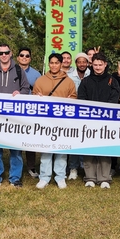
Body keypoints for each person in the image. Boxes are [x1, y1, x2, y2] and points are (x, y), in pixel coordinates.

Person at [0, 44, 30, 187]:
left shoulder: (19, 70)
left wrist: (20, 93)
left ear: (11, 53)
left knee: (15, 148)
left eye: (6, 52)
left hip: (15, 116)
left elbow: (26, 88)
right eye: (1, 53)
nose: (4, 55)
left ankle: (15, 178)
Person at [77, 52, 120, 188]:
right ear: (91, 65)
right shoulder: (85, 81)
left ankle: (104, 178)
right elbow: (81, 99)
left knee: (104, 149)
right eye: (95, 65)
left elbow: (115, 99)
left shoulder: (112, 81)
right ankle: (89, 177)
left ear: (105, 65)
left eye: (100, 65)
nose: (97, 67)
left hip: (106, 121)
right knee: (89, 148)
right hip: (89, 121)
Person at [33, 53, 77, 189]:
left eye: (56, 63)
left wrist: (71, 100)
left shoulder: (68, 81)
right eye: (51, 63)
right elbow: (34, 97)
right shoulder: (40, 80)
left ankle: (60, 176)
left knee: (61, 149)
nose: (53, 65)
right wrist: (38, 97)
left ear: (61, 64)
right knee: (46, 149)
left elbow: (74, 97)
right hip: (46, 121)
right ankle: (44, 177)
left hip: (62, 121)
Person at [16, 47, 42, 177]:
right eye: (22, 55)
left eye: (27, 56)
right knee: (15, 139)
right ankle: (16, 166)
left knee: (30, 139)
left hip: (31, 110)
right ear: (17, 57)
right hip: (15, 110)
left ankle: (31, 166)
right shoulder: (11, 71)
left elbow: (40, 91)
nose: (24, 58)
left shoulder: (37, 74)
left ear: (30, 58)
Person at [67, 52, 91, 180]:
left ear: (87, 63)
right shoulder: (69, 76)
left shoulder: (92, 75)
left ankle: (86, 167)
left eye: (84, 61)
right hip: (74, 113)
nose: (82, 64)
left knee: (87, 140)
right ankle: (73, 167)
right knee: (75, 140)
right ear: (76, 63)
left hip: (89, 113)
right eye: (79, 62)